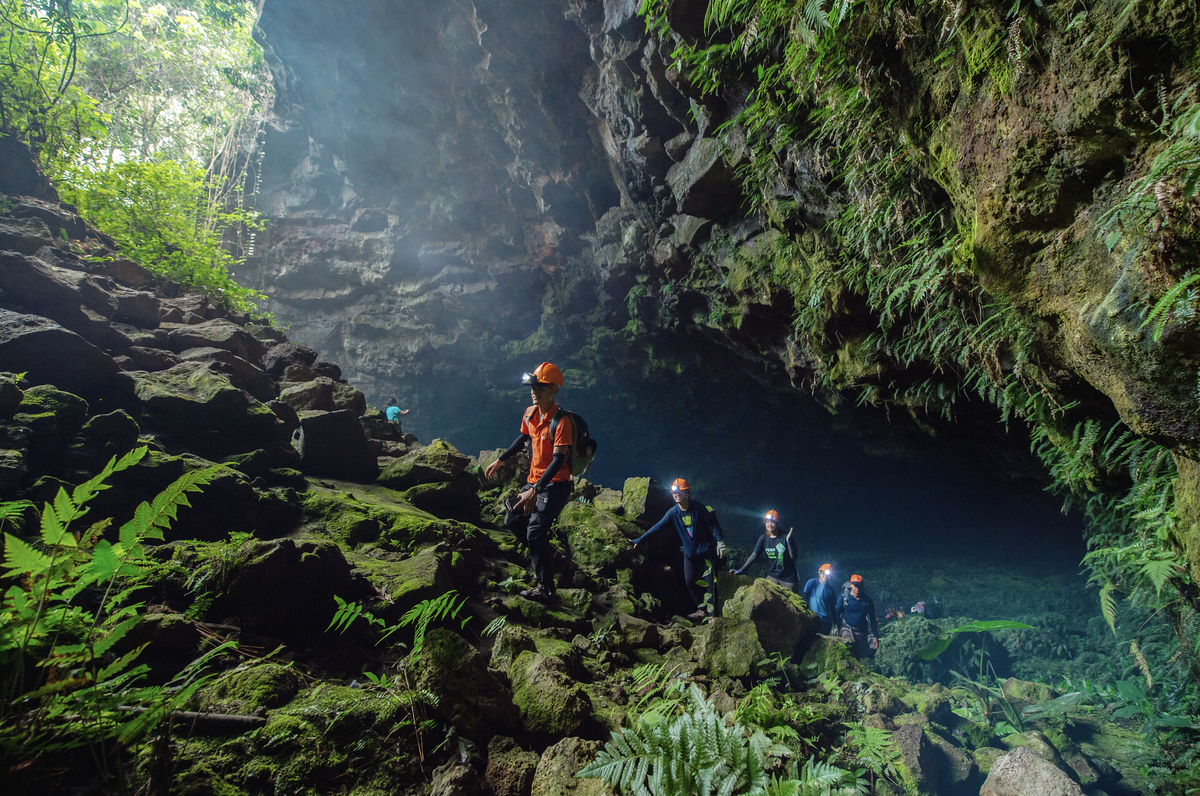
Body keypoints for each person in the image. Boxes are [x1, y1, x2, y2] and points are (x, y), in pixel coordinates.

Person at [483, 362, 574, 602]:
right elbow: (523, 437)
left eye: (540, 388)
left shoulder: (561, 422)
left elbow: (557, 462)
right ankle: (552, 556)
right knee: (512, 518)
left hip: (555, 483)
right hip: (535, 482)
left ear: (554, 390)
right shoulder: (530, 413)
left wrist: (535, 490)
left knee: (535, 531)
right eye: (532, 387)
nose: (534, 391)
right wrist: (500, 460)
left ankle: (547, 589)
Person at [630, 478, 727, 620]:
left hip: (705, 553)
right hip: (690, 555)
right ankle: (702, 610)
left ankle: (713, 616)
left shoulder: (699, 508)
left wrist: (720, 542)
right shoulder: (673, 513)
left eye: (680, 491)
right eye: (674, 492)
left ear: (687, 492)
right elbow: (657, 528)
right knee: (689, 582)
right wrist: (639, 540)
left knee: (709, 585)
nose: (676, 494)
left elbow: (713, 526)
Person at [732, 510, 799, 591]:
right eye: (767, 522)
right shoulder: (764, 538)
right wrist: (740, 570)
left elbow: (794, 557)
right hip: (773, 577)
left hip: (788, 580)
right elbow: (754, 555)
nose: (769, 524)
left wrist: (788, 541)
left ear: (777, 523)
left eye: (772, 522)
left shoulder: (785, 537)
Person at [837, 573, 880, 658]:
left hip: (861, 632)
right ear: (850, 585)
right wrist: (838, 629)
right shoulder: (844, 598)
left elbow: (872, 618)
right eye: (855, 585)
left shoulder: (867, 600)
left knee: (861, 655)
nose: (857, 588)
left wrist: (875, 636)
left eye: (859, 586)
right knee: (849, 652)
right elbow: (837, 614)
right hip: (847, 629)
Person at [802, 563, 838, 634]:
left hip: (825, 622)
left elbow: (832, 609)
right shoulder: (812, 582)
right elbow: (805, 597)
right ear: (819, 573)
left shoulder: (831, 591)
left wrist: (835, 624)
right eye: (823, 573)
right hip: (812, 618)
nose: (825, 576)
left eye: (828, 575)